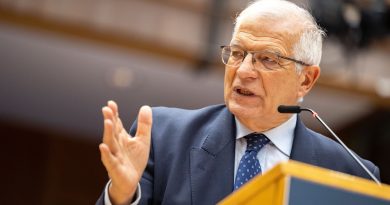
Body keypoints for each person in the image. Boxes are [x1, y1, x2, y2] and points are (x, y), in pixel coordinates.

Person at [96, 0, 380, 204]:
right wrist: (122, 197)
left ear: (305, 80)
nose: (243, 71)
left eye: (267, 59)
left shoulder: (353, 174)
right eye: (236, 53)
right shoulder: (163, 136)